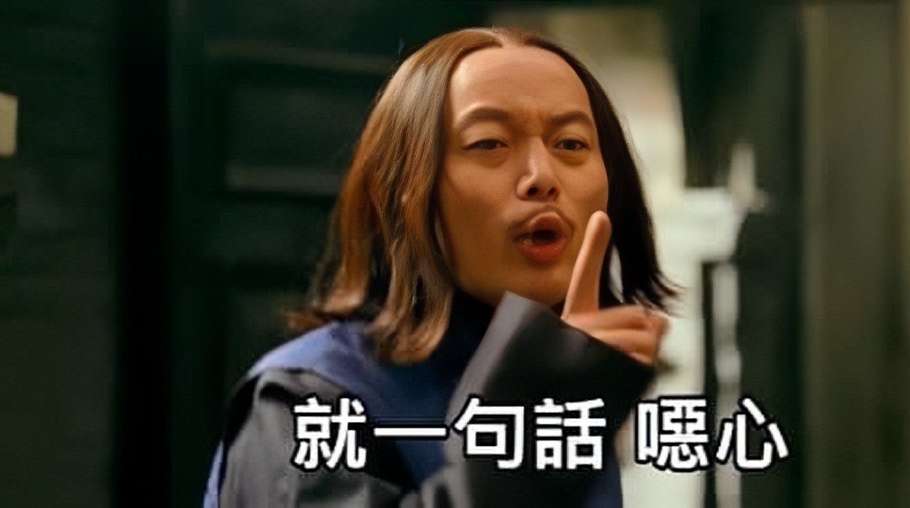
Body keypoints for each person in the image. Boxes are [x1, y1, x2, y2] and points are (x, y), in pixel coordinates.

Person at [204, 26, 676, 507]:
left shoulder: (567, 390)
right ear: (396, 194)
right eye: (489, 143)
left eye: (571, 144)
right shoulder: (305, 399)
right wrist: (530, 449)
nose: (542, 176)